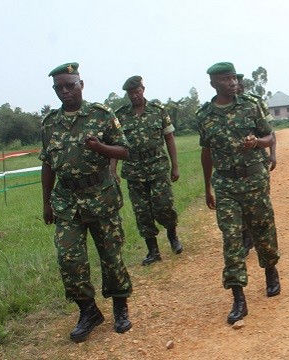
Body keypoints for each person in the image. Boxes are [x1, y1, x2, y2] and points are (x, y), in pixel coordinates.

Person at [40, 62, 132, 342]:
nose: (65, 91)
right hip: (67, 202)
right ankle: (88, 311)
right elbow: (47, 164)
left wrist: (101, 148)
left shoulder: (101, 115)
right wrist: (46, 202)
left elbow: (125, 150)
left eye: (70, 85)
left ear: (81, 84)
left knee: (111, 256)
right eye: (59, 88)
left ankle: (120, 306)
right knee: (69, 260)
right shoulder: (49, 124)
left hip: (100, 197)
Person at [197, 62, 280, 326]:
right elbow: (206, 151)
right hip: (226, 186)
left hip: (254, 179)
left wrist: (257, 142)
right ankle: (238, 297)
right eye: (226, 79)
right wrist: (207, 185)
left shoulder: (250, 105)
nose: (232, 82)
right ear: (213, 84)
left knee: (263, 230)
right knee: (232, 239)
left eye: (233, 77)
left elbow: (270, 138)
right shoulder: (204, 116)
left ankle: (270, 269)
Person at [111, 76, 183, 266]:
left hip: (157, 165)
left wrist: (175, 166)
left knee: (163, 205)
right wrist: (113, 170)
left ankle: (172, 236)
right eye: (131, 93)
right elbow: (116, 144)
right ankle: (153, 250)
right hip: (133, 169)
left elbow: (169, 138)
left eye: (137, 91)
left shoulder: (158, 111)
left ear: (143, 89)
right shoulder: (120, 115)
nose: (135, 95)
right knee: (141, 211)